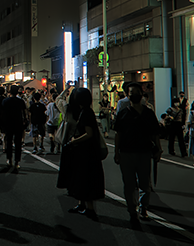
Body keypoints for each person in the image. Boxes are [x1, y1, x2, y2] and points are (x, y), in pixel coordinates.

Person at [113, 82, 162, 227]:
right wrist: (116, 152)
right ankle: (132, 211)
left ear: (141, 95)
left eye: (135, 92)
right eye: (130, 93)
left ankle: (143, 207)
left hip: (144, 152)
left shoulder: (148, 113)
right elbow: (118, 134)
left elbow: (155, 133)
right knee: (129, 184)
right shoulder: (123, 113)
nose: (133, 95)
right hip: (127, 152)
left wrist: (158, 149)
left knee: (144, 183)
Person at [57, 87, 104, 220]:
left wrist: (74, 141)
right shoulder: (85, 111)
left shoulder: (85, 113)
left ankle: (89, 208)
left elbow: (89, 134)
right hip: (84, 151)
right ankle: (82, 204)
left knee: (85, 178)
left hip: (85, 151)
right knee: (80, 178)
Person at [1, 84, 28, 171]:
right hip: (18, 123)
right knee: (18, 143)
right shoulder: (20, 101)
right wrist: (25, 121)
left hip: (8, 123)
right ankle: (17, 161)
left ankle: (9, 160)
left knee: (9, 141)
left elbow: (3, 113)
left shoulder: (5, 101)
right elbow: (24, 112)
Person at [45, 88, 60, 155]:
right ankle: (58, 147)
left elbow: (47, 113)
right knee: (58, 134)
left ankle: (52, 142)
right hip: (58, 122)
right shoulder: (59, 105)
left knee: (51, 133)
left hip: (50, 121)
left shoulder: (50, 105)